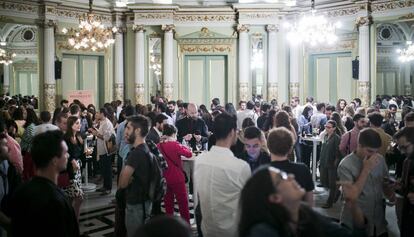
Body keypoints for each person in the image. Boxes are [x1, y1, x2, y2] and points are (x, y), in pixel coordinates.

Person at [238, 166, 367, 237]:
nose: (291, 176)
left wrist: (353, 204)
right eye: (282, 177)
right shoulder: (262, 231)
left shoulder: (304, 213)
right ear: (275, 197)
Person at [9, 130, 80, 237]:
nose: (68, 156)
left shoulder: (21, 191)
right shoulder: (57, 201)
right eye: (65, 152)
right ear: (54, 160)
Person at [194, 112, 251, 237]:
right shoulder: (240, 167)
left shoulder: (200, 160)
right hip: (232, 230)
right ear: (232, 132)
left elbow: (198, 196)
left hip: (206, 228)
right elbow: (248, 205)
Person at [338, 128, 395, 237]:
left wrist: (390, 188)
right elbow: (351, 197)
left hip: (379, 224)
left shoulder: (380, 159)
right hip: (355, 223)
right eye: (369, 151)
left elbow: (385, 186)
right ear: (359, 145)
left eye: (376, 151)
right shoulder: (345, 165)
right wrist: (366, 169)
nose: (373, 155)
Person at [118, 115, 153, 237]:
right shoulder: (145, 148)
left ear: (137, 131)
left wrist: (127, 178)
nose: (125, 132)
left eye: (128, 128)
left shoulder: (136, 154)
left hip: (136, 205)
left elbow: (122, 182)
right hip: (144, 202)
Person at [268, 127, 314, 206]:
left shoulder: (262, 173)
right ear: (290, 149)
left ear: (268, 146)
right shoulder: (303, 169)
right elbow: (310, 202)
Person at [157, 124, 192, 223]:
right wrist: (181, 145)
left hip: (164, 177)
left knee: (168, 203)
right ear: (173, 134)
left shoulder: (158, 145)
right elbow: (189, 154)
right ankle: (186, 225)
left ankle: (169, 225)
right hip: (177, 178)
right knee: (183, 203)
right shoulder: (175, 144)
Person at [64, 116, 91, 219]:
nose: (80, 125)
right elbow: (64, 153)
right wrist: (71, 160)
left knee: (71, 198)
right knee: (79, 198)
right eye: (77, 123)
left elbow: (83, 154)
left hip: (78, 169)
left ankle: (71, 220)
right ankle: (74, 220)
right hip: (70, 170)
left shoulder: (79, 137)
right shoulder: (66, 138)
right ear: (71, 125)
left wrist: (89, 150)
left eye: (79, 123)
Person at [89, 107, 116, 195]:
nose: (96, 114)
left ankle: (108, 188)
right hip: (101, 148)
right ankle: (104, 186)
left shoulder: (107, 123)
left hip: (106, 149)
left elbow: (106, 137)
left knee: (107, 169)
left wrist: (96, 134)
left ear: (102, 114)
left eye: (98, 113)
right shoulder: (101, 122)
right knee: (103, 168)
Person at [393, 127, 414, 237]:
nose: (402, 152)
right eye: (400, 148)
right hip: (408, 213)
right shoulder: (407, 161)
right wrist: (400, 186)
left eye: (405, 147)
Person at [319, 120, 341, 208]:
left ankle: (329, 202)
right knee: (324, 181)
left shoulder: (337, 138)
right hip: (324, 162)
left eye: (329, 127)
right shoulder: (325, 136)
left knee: (332, 184)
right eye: (325, 126)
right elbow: (323, 149)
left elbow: (338, 153)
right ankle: (337, 192)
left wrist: (335, 164)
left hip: (332, 164)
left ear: (334, 128)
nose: (326, 128)